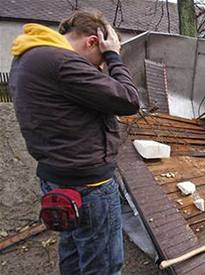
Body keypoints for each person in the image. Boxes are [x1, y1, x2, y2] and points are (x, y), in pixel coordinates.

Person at [9, 9, 139, 275]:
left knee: (74, 254)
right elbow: (129, 100)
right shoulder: (62, 62)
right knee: (103, 266)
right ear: (92, 42)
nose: (100, 68)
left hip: (57, 178)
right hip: (88, 185)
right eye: (101, 58)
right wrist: (114, 56)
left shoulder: (28, 57)